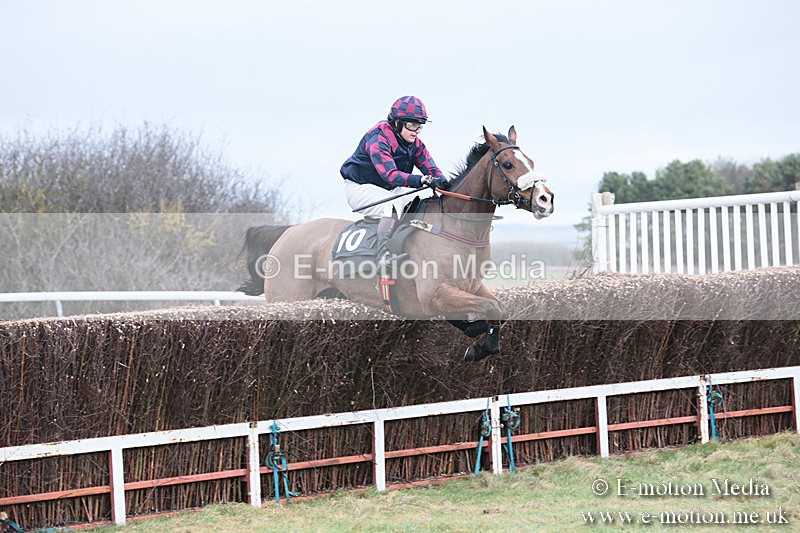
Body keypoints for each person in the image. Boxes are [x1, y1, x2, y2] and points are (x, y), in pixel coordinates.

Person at [340, 95, 450, 266]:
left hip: (389, 189)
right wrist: (423, 180)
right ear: (397, 123)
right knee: (390, 207)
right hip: (360, 187)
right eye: (412, 125)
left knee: (419, 202)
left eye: (420, 126)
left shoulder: (416, 144)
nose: (416, 131)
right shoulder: (378, 138)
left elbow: (432, 169)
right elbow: (391, 175)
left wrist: (444, 183)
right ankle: (383, 256)